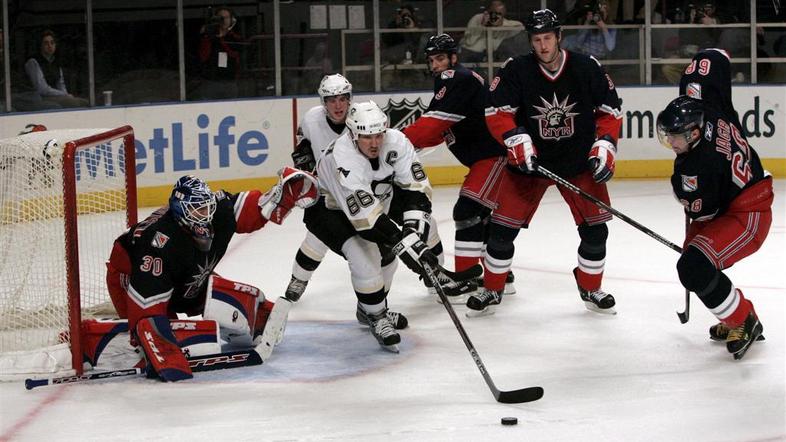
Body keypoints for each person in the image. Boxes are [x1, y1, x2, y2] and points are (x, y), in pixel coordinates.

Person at [471, 9, 623, 316]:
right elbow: (496, 111)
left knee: (596, 231)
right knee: (502, 230)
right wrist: (515, 138)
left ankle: (590, 287)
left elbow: (610, 110)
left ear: (559, 37)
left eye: (548, 38)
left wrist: (605, 143)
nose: (543, 46)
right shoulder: (516, 69)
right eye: (537, 39)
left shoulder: (585, 66)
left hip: (577, 162)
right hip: (529, 165)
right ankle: (492, 288)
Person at [104, 170, 318, 381]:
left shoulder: (217, 211)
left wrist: (281, 196)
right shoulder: (158, 243)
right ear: (180, 211)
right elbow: (147, 309)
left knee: (224, 298)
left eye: (207, 207)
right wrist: (164, 353)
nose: (206, 215)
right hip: (133, 280)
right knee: (164, 335)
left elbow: (253, 209)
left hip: (183, 275)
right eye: (198, 210)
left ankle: (256, 319)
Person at [311, 100, 470, 352]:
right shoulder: (342, 156)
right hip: (329, 208)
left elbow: (416, 189)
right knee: (366, 256)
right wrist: (405, 246)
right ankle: (375, 316)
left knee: (402, 243)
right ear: (353, 134)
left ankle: (371, 308)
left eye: (379, 135)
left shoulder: (396, 140)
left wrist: (413, 237)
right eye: (367, 137)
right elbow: (367, 220)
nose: (375, 143)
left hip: (377, 194)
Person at [653, 50, 774, 360]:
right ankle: (733, 313)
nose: (671, 143)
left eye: (675, 138)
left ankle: (743, 320)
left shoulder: (696, 166)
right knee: (695, 263)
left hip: (749, 215)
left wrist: (683, 196)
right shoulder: (711, 109)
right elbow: (714, 62)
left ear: (694, 133)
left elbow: (702, 213)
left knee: (694, 266)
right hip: (742, 198)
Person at [402, 33, 513, 303]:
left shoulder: (457, 78)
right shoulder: (456, 82)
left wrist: (395, 141)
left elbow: (433, 124)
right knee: (481, 217)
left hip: (493, 157)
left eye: (440, 58)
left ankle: (466, 280)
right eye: (431, 60)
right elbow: (438, 131)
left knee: (467, 211)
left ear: (453, 58)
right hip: (487, 158)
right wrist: (407, 147)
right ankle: (500, 275)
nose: (435, 65)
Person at [23, 29, 88, 109]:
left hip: (55, 96)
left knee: (85, 102)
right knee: (73, 103)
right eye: (46, 43)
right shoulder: (33, 62)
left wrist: (66, 95)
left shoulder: (56, 62)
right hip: (39, 98)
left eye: (52, 43)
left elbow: (61, 84)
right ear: (40, 46)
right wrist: (64, 95)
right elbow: (42, 89)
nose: (50, 46)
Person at [196, 7, 244, 99]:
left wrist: (221, 38)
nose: (224, 20)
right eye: (221, 17)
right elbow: (203, 56)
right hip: (210, 81)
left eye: (226, 17)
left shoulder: (234, 36)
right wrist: (206, 36)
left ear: (232, 20)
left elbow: (235, 53)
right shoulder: (209, 36)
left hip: (229, 82)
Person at [459, 1, 524, 63]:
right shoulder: (478, 18)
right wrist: (482, 25)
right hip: (469, 53)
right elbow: (469, 42)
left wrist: (500, 25)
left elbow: (520, 26)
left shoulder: (505, 23)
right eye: (493, 12)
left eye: (499, 13)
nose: (495, 16)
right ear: (488, 11)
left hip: (490, 56)